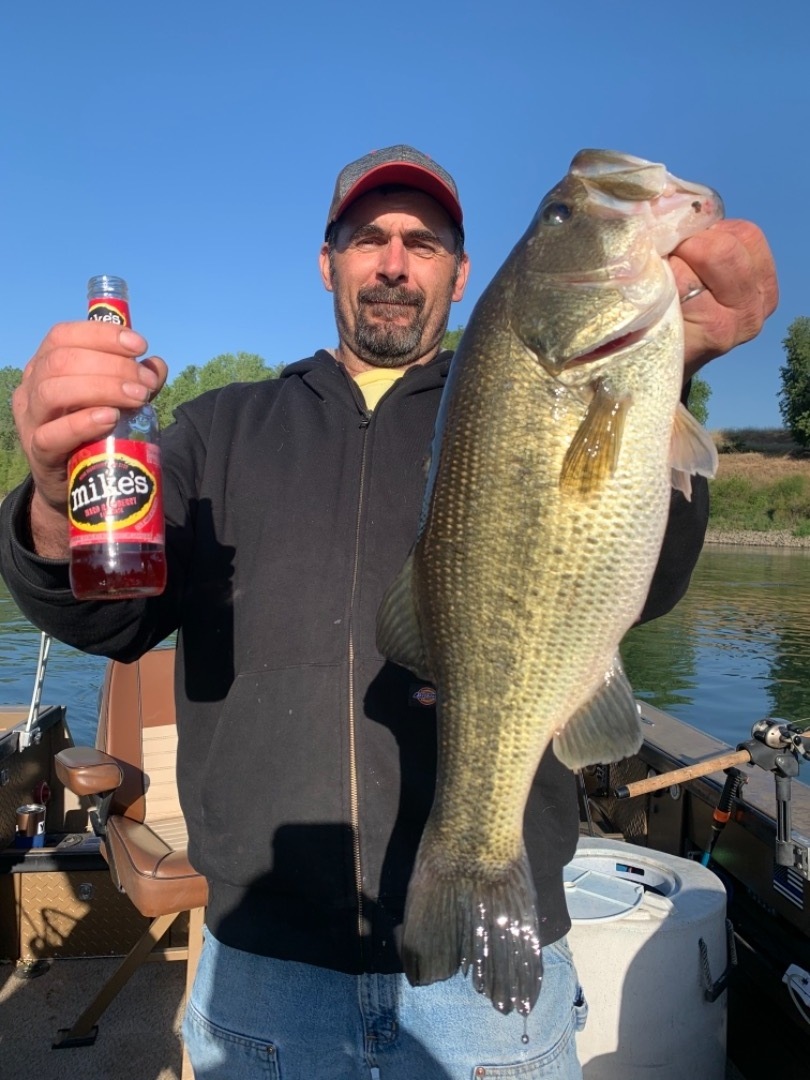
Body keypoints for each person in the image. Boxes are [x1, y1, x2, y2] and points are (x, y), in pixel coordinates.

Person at [0, 145, 778, 1079]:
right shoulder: (216, 430)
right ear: (327, 263)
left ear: (462, 274)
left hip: (497, 963)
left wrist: (667, 380)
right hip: (264, 963)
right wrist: (52, 498)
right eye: (368, 238)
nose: (395, 262)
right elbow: (104, 622)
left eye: (425, 241)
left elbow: (637, 580)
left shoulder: (514, 384)